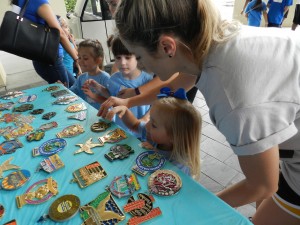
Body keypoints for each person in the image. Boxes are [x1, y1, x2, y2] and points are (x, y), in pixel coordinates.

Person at [98, 0, 300, 224]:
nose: (142, 67)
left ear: (166, 47)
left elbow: (262, 184)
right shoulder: (205, 43)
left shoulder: (232, 98)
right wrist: (130, 101)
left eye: (140, 57)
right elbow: (175, 86)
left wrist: (196, 204)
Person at [103, 87, 201, 178]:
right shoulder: (155, 135)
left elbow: (159, 182)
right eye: (150, 119)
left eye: (154, 124)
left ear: (173, 136)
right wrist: (124, 110)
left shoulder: (180, 165)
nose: (147, 125)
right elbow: (135, 125)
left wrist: (155, 154)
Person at [83, 36, 153, 136]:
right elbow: (112, 96)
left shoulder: (147, 80)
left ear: (137, 57)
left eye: (128, 57)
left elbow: (155, 102)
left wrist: (146, 118)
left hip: (141, 129)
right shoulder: (114, 79)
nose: (123, 62)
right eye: (118, 58)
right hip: (121, 129)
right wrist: (98, 87)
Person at [10, 0, 78, 87]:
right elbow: (60, 33)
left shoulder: (20, 1)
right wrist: (77, 59)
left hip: (40, 59)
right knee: (69, 94)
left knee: (71, 88)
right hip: (51, 60)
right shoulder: (37, 1)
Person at [67, 39, 110, 109]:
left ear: (98, 60)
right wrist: (64, 89)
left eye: (85, 58)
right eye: (79, 57)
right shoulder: (81, 78)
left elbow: (112, 101)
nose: (80, 61)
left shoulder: (105, 78)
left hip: (103, 116)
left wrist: (93, 95)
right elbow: (73, 93)